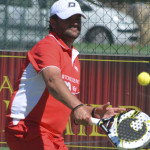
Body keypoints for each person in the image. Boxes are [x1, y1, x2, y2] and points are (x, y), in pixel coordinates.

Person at [5, 0, 126, 150]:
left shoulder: (73, 58)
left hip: (53, 135)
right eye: (68, 19)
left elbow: (66, 103)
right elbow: (52, 80)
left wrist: (93, 112)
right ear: (53, 23)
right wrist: (78, 107)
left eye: (77, 19)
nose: (75, 23)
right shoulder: (48, 45)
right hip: (27, 127)